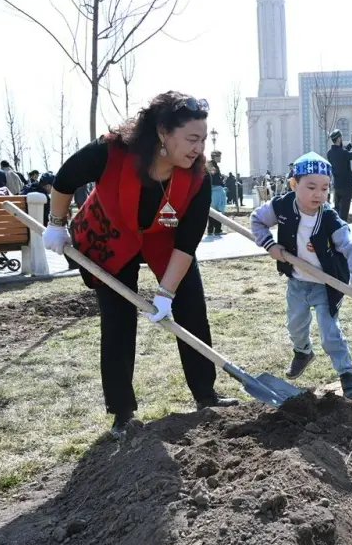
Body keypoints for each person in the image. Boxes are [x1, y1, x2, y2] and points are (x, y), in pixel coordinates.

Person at [41, 91, 238, 439]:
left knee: (191, 307)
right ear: (163, 131)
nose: (198, 148)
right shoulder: (112, 151)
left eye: (203, 140)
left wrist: (166, 294)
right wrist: (56, 223)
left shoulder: (197, 177)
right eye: (191, 139)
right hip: (112, 233)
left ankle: (206, 394)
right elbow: (66, 178)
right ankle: (122, 412)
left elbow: (187, 242)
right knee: (118, 318)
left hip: (164, 240)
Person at [251, 152, 352, 400]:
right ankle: (303, 352)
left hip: (326, 285)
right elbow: (257, 220)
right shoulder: (282, 206)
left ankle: (347, 374)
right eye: (311, 187)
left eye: (325, 188)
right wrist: (270, 245)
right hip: (297, 282)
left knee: (330, 334)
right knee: (295, 326)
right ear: (294, 184)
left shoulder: (330, 219)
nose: (318, 194)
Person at [326, 129, 352, 220]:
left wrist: (351, 142)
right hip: (346, 186)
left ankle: (336, 230)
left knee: (337, 211)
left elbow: (342, 153)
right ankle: (343, 231)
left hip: (337, 186)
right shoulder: (343, 153)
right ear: (339, 139)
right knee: (344, 213)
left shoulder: (329, 153)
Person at [207, 155, 226, 236]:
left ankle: (210, 229)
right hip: (216, 191)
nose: (220, 158)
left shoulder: (211, 166)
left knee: (212, 210)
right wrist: (222, 180)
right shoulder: (213, 167)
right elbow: (214, 178)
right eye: (219, 157)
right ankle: (217, 229)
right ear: (215, 157)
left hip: (213, 190)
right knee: (218, 210)